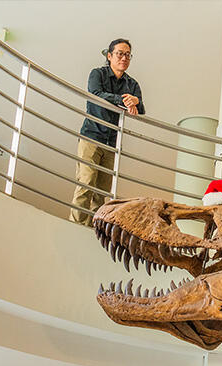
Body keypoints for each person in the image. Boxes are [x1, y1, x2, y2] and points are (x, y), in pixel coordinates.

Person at [69, 38, 145, 225]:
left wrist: (135, 102)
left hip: (112, 142)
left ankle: (93, 231)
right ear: (109, 56)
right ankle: (75, 226)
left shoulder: (132, 84)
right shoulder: (97, 74)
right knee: (86, 184)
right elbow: (95, 95)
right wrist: (123, 100)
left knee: (102, 192)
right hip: (91, 136)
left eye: (128, 55)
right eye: (120, 53)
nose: (124, 58)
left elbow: (141, 108)